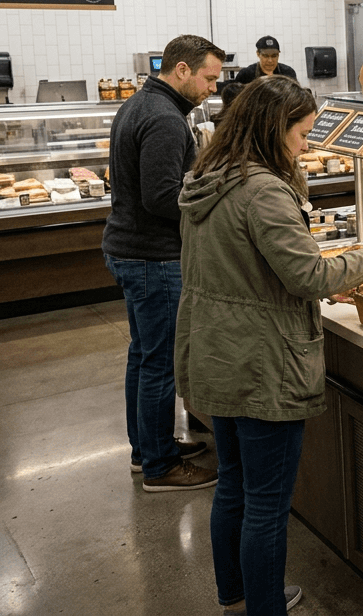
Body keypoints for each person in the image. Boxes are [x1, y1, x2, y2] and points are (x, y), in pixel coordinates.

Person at [176, 75, 363, 615]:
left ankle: (234, 590)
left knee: (233, 483)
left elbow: (250, 265)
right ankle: (264, 607)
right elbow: (304, 275)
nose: (306, 145)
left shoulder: (211, 172)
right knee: (267, 506)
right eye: (301, 134)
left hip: (216, 347)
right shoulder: (264, 189)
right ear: (274, 130)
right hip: (262, 358)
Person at [103, 34, 224, 491]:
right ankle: (160, 466)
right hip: (153, 257)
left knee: (142, 356)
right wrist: (213, 206)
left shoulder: (141, 104)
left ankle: (147, 449)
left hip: (128, 249)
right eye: (209, 78)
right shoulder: (164, 119)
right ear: (182, 70)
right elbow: (160, 198)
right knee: (160, 364)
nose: (212, 87)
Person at [233, 36, 298, 84]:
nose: (270, 60)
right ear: (258, 54)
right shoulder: (246, 74)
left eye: (274, 56)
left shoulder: (287, 73)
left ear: (278, 55)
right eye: (266, 56)